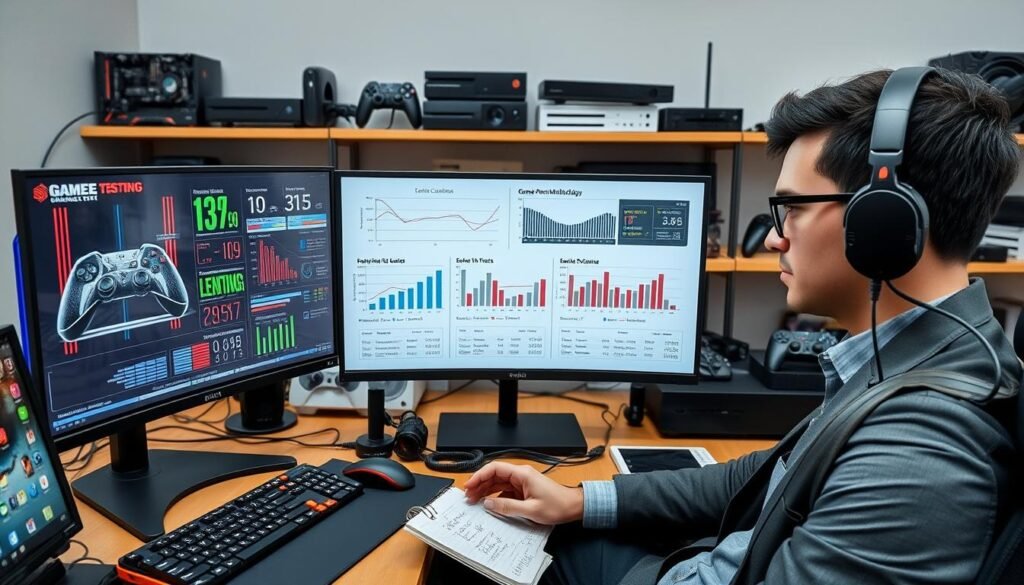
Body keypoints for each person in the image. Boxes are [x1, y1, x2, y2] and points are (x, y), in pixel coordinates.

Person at [447, 68, 1023, 585]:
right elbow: (761, 478)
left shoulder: (917, 447)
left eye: (793, 208)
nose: (774, 237)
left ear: (883, 221)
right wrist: (579, 500)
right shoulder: (911, 357)